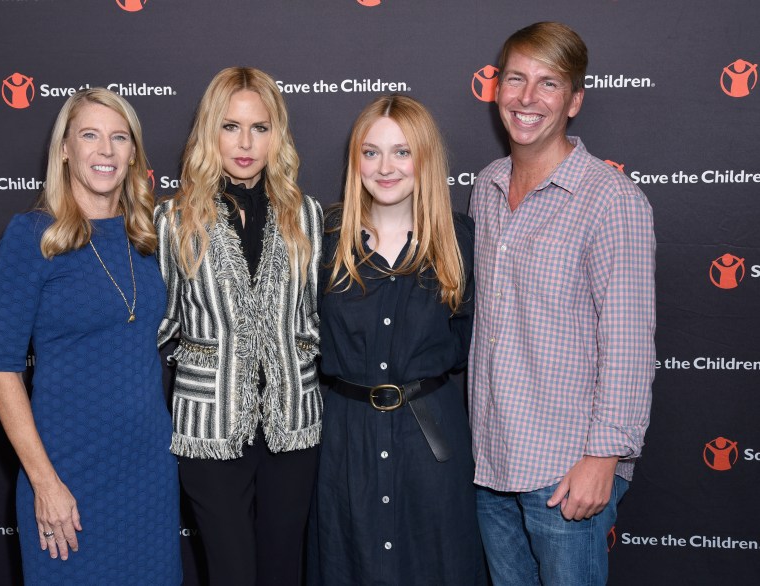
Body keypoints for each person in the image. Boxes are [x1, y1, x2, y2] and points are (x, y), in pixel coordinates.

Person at [469, 22, 656, 585]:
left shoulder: (610, 199)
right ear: (497, 89)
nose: (527, 98)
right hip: (491, 460)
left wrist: (604, 458)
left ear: (574, 100)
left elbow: (627, 340)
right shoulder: (487, 184)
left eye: (548, 84)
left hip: (566, 469)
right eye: (516, 79)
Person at [0, 88, 181, 585]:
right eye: (89, 135)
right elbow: (1, 371)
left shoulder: (149, 236)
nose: (106, 151)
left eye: (119, 138)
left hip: (148, 472)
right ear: (65, 149)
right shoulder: (33, 236)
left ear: (134, 152)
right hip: (66, 472)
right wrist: (44, 483)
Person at [308, 95, 486, 585]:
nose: (385, 167)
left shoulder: (461, 241)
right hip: (344, 442)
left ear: (424, 159)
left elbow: (476, 345)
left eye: (401, 152)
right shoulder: (323, 240)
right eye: (371, 152)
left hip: (432, 444)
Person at [155, 67, 323, 586]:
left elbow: (318, 316)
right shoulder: (174, 220)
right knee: (230, 572)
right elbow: (162, 328)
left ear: (278, 134)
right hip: (209, 426)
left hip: (292, 425)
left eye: (260, 127)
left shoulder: (309, 217)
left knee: (281, 569)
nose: (246, 143)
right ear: (210, 132)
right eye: (230, 127)